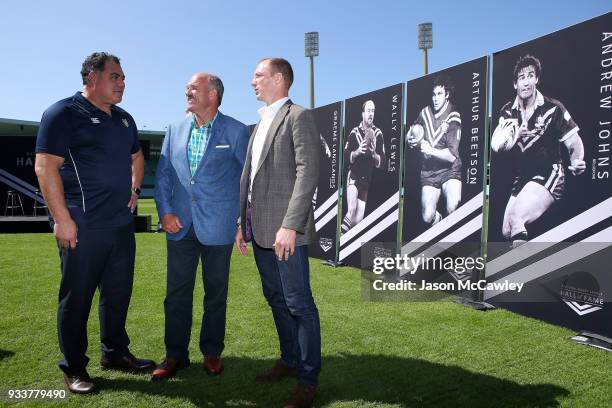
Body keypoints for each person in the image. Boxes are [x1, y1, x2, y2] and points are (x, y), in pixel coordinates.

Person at [34, 52, 155, 394]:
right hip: (82, 224)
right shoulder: (63, 113)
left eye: (123, 77)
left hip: (120, 225)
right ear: (91, 78)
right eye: (115, 76)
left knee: (117, 294)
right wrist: (62, 219)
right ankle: (74, 367)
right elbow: (45, 168)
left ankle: (114, 353)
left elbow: (137, 157)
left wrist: (134, 189)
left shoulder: (125, 120)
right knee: (78, 297)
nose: (122, 82)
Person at [235, 58, 321, 408]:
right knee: (276, 299)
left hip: (287, 232)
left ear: (279, 79)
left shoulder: (297, 115)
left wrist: (291, 224)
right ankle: (289, 360)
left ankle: (308, 379)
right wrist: (243, 222)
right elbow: (252, 179)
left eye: (258, 75)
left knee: (299, 303)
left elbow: (308, 171)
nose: (252, 80)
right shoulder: (258, 124)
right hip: (258, 230)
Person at [152, 73, 249, 380]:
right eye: (187, 88)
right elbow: (164, 175)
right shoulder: (174, 128)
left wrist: (240, 223)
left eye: (194, 88)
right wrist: (165, 212)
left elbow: (247, 182)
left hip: (219, 228)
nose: (187, 91)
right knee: (176, 293)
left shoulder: (235, 130)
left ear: (213, 95)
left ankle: (211, 352)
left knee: (215, 294)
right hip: (179, 226)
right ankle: (175, 355)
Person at [490, 54, 585, 247]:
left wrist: (577, 160)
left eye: (530, 76)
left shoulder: (553, 108)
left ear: (537, 79)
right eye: (521, 78)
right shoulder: (507, 112)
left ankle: (521, 273)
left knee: (517, 219)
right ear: (515, 84)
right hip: (523, 176)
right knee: (506, 230)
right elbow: (498, 146)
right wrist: (516, 136)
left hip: (549, 172)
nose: (526, 82)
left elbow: (574, 142)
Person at [406, 76, 462, 226]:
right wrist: (410, 139)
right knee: (427, 216)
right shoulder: (424, 113)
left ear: (447, 95)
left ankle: (452, 243)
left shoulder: (453, 116)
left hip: (450, 169)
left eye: (439, 94)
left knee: (453, 206)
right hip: (429, 171)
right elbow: (411, 131)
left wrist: (430, 149)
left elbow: (451, 156)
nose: (435, 98)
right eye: (434, 94)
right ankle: (439, 222)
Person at [341, 100, 385, 232]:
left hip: (366, 181)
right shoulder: (354, 132)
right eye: (368, 111)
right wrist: (357, 152)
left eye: (373, 111)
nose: (371, 114)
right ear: (363, 114)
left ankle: (346, 242)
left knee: (357, 221)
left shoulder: (378, 133)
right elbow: (345, 155)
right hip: (354, 176)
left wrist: (374, 154)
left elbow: (383, 161)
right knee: (351, 210)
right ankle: (340, 239)